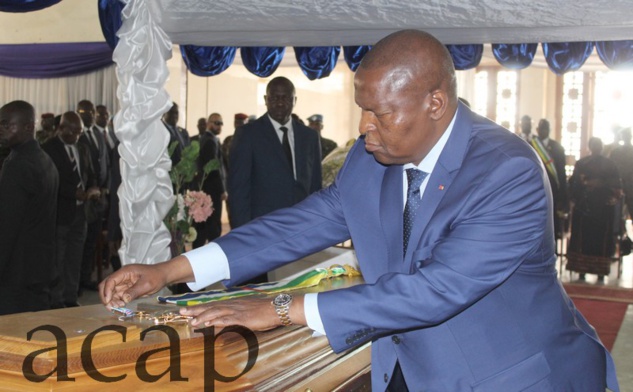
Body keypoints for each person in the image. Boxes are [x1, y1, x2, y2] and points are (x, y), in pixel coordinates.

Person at [100, 30, 618, 391]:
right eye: (362, 109)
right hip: (407, 369)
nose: (365, 126)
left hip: (507, 377)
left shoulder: (506, 171)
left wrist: (282, 308)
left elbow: (437, 290)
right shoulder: (372, 160)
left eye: (381, 112)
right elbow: (296, 226)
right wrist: (171, 269)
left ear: (435, 103)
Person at [226, 76, 322, 282]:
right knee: (258, 292)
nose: (280, 102)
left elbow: (315, 186)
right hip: (260, 231)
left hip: (300, 231)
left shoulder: (309, 137)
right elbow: (238, 189)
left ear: (294, 100)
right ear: (266, 99)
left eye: (286, 98)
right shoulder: (248, 134)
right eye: (274, 98)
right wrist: (243, 234)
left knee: (296, 288)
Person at [0, 100, 59, 315]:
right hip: (39, 268)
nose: (1, 129)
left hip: (17, 273)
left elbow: (6, 227)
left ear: (28, 127)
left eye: (7, 125)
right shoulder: (44, 159)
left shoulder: (17, 165)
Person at [44, 111, 100, 308]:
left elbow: (90, 173)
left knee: (75, 257)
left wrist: (93, 188)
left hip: (81, 213)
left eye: (80, 132)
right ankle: (57, 299)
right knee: (58, 258)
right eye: (74, 131)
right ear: (62, 128)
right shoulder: (49, 149)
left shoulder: (82, 148)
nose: (77, 136)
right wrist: (72, 193)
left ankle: (71, 296)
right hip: (61, 213)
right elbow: (50, 181)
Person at [568, 137, 622, 282]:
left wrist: (599, 184)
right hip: (586, 209)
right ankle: (582, 271)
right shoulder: (582, 164)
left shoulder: (609, 165)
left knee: (600, 241)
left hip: (602, 210)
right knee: (584, 241)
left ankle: (599, 272)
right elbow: (574, 185)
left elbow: (616, 186)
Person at [77, 100, 110, 292]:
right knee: (82, 241)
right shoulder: (78, 137)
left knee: (92, 240)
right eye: (84, 112)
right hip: (86, 197)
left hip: (101, 196)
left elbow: (103, 162)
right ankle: (79, 280)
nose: (88, 115)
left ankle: (86, 277)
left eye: (90, 111)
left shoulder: (98, 134)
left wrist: (103, 188)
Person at [193, 113, 227, 249]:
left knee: (204, 226)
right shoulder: (209, 141)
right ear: (208, 123)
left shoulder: (210, 139)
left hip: (208, 190)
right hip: (211, 191)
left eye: (221, 123)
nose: (219, 126)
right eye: (216, 123)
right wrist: (222, 189)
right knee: (212, 227)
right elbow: (213, 168)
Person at [532, 118, 568, 238]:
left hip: (553, 191)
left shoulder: (557, 147)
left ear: (550, 130)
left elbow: (561, 174)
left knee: (552, 225)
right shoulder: (531, 145)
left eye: (546, 128)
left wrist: (563, 197)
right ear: (537, 130)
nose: (543, 131)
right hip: (534, 191)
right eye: (541, 128)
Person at [609, 127, 633, 218]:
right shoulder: (616, 152)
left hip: (621, 185)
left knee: (616, 215)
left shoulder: (616, 152)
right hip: (619, 186)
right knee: (616, 215)